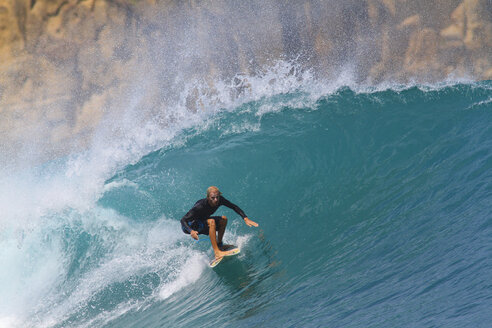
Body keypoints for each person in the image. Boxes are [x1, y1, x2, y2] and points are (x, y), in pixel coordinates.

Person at [181, 186, 259, 259]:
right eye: (213, 198)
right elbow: (183, 220)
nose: (216, 200)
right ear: (208, 198)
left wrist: (245, 218)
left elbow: (233, 206)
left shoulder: (220, 200)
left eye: (217, 197)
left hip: (203, 221)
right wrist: (191, 231)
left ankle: (219, 245)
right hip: (190, 225)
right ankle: (217, 252)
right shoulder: (200, 206)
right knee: (211, 222)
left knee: (223, 219)